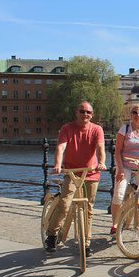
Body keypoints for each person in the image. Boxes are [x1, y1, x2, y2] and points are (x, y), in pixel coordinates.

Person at [44, 101, 107, 256]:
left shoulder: (97, 129)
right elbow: (61, 147)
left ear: (92, 115)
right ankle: (52, 235)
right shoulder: (67, 128)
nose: (85, 114)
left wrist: (102, 162)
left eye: (89, 112)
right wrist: (57, 164)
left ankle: (86, 243)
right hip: (71, 172)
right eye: (82, 111)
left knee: (88, 209)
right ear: (76, 113)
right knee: (64, 205)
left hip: (90, 172)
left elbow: (100, 148)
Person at [110, 103, 139, 236]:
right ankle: (115, 224)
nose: (138, 115)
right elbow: (117, 151)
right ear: (130, 115)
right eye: (135, 113)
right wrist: (120, 169)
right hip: (125, 166)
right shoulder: (124, 129)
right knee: (118, 195)